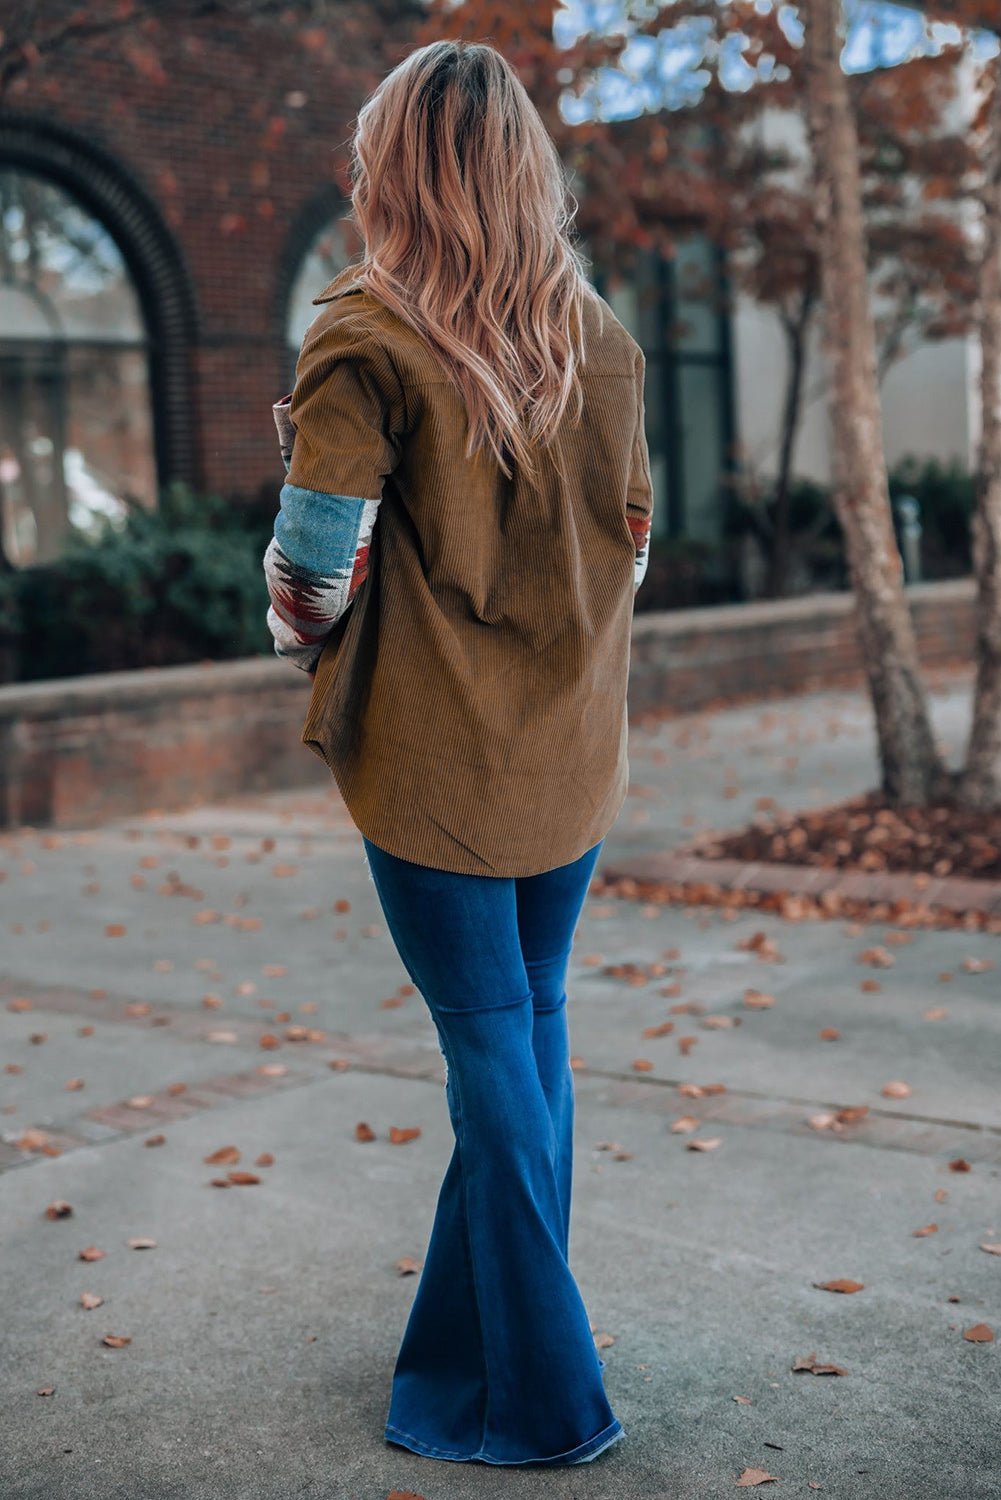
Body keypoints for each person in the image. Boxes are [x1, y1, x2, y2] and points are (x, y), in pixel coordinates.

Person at [263, 37, 653, 1468]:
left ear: (398, 172)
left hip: (435, 761)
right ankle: (463, 1354)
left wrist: (295, 627)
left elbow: (312, 581)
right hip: (566, 748)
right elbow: (635, 540)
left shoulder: (362, 334)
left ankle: (547, 1401)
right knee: (529, 1036)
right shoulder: (597, 335)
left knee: (497, 1052)